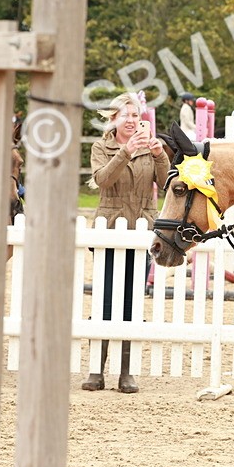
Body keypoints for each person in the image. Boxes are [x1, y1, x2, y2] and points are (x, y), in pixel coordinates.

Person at [83, 92, 170, 393]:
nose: (132, 120)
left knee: (131, 302)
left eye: (136, 115)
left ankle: (126, 372)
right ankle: (96, 369)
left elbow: (168, 183)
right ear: (114, 119)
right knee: (104, 300)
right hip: (109, 228)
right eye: (126, 115)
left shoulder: (150, 146)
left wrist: (160, 155)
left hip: (142, 229)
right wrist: (125, 153)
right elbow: (102, 180)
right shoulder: (101, 147)